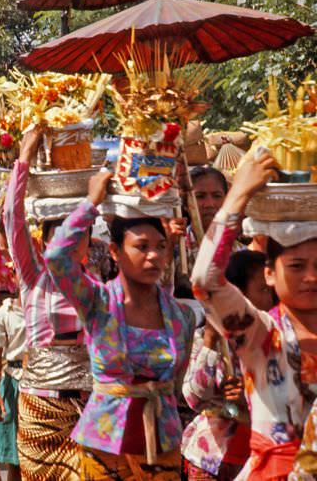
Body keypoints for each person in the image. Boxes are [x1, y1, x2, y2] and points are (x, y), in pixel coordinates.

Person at [46, 169, 200, 480]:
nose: (153, 255)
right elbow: (56, 257)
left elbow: (177, 383)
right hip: (103, 446)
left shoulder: (182, 317)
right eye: (141, 247)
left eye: (160, 246)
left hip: (162, 447)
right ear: (115, 252)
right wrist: (90, 203)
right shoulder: (97, 303)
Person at [191, 150, 317, 480]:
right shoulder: (262, 334)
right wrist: (237, 197)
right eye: (296, 266)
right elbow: (205, 281)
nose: (311, 277)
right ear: (269, 275)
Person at [4, 129, 96, 481]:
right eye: (62, 235)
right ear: (45, 241)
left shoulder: (97, 285)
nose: (71, 244)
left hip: (88, 407)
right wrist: (24, 157)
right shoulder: (33, 276)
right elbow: (14, 218)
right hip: (41, 406)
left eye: (80, 235)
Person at [182, 250, 274, 481]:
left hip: (263, 458)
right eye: (262, 290)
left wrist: (249, 396)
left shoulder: (280, 339)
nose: (270, 298)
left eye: (271, 289)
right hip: (212, 459)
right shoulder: (205, 337)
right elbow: (194, 398)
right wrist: (211, 342)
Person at [0, 294, 25, 481]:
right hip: (13, 384)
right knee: (9, 453)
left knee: (23, 460)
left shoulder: (43, 309)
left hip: (37, 384)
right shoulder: (4, 313)